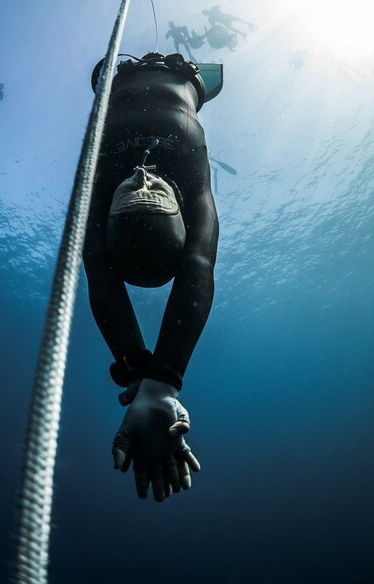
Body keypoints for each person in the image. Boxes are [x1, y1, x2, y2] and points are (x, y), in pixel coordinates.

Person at [83, 52, 221, 502]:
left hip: (118, 81)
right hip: (186, 81)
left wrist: (139, 373)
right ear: (180, 214)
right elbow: (198, 262)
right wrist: (163, 379)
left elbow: (98, 269)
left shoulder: (97, 197)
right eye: (155, 196)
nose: (142, 175)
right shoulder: (194, 189)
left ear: (107, 219)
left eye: (133, 194)